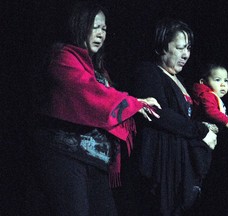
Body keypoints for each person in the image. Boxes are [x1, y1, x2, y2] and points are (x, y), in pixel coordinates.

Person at [29, 2, 161, 216]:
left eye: (105, 29)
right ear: (80, 25)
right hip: (66, 155)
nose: (101, 34)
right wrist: (134, 103)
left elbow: (106, 99)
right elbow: (88, 93)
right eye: (95, 27)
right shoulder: (63, 57)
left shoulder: (99, 70)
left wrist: (135, 105)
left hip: (95, 162)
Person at [130, 18, 218, 216]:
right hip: (159, 166)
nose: (185, 54)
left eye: (188, 48)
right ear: (162, 47)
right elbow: (157, 113)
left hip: (181, 165)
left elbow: (184, 119)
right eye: (179, 47)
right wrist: (200, 130)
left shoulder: (180, 80)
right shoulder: (149, 72)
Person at [191, 63, 228, 132]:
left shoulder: (212, 95)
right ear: (203, 82)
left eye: (226, 80)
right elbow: (210, 110)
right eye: (217, 80)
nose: (223, 84)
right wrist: (225, 120)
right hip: (201, 129)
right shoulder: (207, 95)